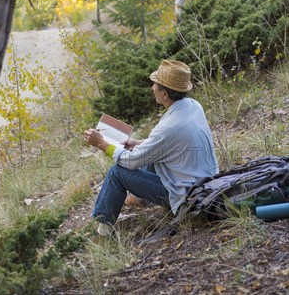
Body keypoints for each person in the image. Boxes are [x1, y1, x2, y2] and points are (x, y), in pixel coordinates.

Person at [83, 59, 219, 236]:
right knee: (147, 154)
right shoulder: (193, 106)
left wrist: (102, 143)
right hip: (205, 182)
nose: (152, 88)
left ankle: (103, 230)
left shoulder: (169, 126)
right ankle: (140, 198)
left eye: (155, 84)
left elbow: (131, 162)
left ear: (164, 94)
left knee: (117, 173)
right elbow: (168, 144)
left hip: (187, 197)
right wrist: (137, 143)